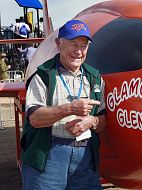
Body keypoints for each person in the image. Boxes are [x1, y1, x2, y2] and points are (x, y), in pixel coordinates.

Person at [21, 20, 106, 190]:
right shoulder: (43, 76)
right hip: (48, 154)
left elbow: (103, 121)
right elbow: (35, 119)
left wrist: (91, 121)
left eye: (84, 45)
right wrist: (70, 108)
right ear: (59, 44)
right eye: (73, 44)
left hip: (85, 157)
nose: (79, 51)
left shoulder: (95, 78)